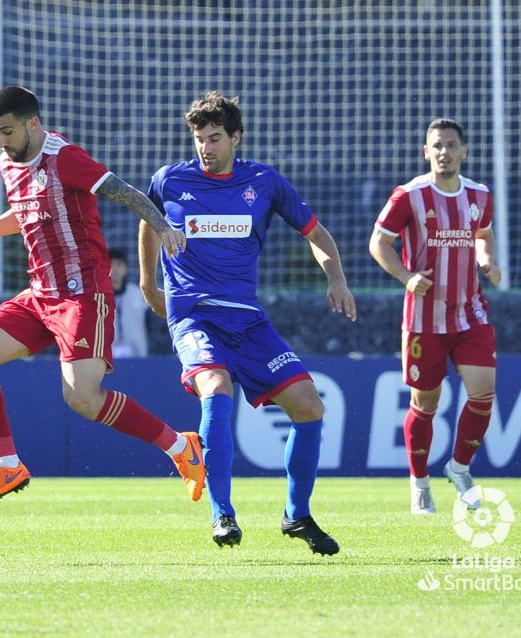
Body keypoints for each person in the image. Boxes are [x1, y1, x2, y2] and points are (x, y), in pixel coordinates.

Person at [0, 85, 205, 508]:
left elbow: (125, 191)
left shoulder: (65, 158)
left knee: (83, 398)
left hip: (82, 294)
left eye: (7, 131)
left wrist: (163, 227)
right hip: (40, 293)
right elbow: (26, 212)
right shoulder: (9, 161)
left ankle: (182, 448)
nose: (2, 142)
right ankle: (7, 464)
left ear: (32, 124)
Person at [139, 90, 356, 554]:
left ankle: (297, 515)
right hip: (194, 314)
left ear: (236, 137)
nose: (205, 148)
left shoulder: (265, 182)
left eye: (215, 138)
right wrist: (147, 284)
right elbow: (147, 217)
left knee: (310, 407)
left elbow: (315, 232)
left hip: (248, 320)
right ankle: (223, 514)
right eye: (199, 139)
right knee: (215, 388)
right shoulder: (170, 180)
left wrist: (335, 276)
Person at [369, 118, 502, 515]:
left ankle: (460, 469)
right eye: (437, 145)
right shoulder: (409, 195)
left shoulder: (479, 195)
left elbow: (484, 234)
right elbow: (379, 243)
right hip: (424, 318)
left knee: (483, 392)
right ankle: (419, 481)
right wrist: (407, 277)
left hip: (470, 312)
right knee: (426, 403)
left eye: (450, 144)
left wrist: (488, 261)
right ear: (426, 152)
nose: (444, 151)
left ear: (464, 151)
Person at [108, 247, 150, 358]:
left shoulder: (138, 294)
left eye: (118, 265)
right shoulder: (98, 297)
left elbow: (150, 324)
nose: (114, 270)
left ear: (125, 268)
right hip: (107, 357)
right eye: (110, 265)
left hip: (138, 355)